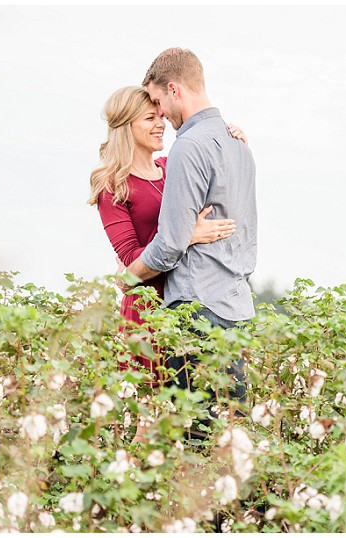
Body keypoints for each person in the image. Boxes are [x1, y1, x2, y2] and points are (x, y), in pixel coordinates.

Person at [88, 86, 246, 437]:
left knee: (195, 413)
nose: (161, 123)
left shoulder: (170, 165)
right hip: (148, 310)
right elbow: (130, 262)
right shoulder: (112, 186)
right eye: (149, 118)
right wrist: (186, 235)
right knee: (151, 417)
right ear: (125, 126)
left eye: (160, 114)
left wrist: (232, 139)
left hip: (188, 299)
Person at [121, 47, 257, 416]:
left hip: (197, 310)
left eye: (158, 101)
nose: (161, 114)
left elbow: (168, 245)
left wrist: (129, 277)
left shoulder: (189, 147)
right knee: (231, 433)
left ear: (174, 89)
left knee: (194, 439)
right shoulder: (240, 146)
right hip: (238, 310)